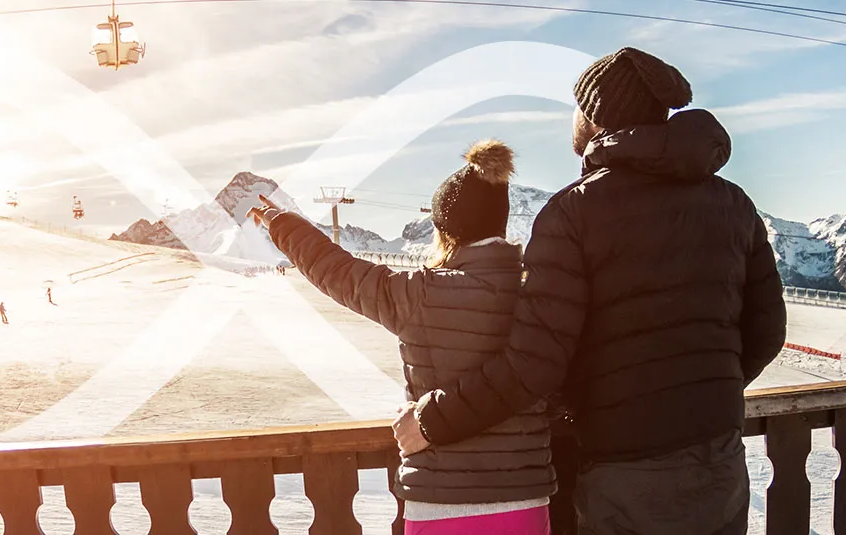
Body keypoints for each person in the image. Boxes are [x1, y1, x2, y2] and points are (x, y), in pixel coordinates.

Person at [391, 47, 786, 535]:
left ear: (596, 115)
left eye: (576, 106)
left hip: (626, 471)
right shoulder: (733, 203)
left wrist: (431, 421)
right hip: (720, 458)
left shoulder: (573, 213)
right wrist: (701, 392)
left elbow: (534, 363)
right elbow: (767, 330)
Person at [249, 140, 552, 534]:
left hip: (440, 503)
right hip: (524, 501)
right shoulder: (540, 295)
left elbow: (338, 271)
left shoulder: (419, 293)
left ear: (443, 231)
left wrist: (282, 225)